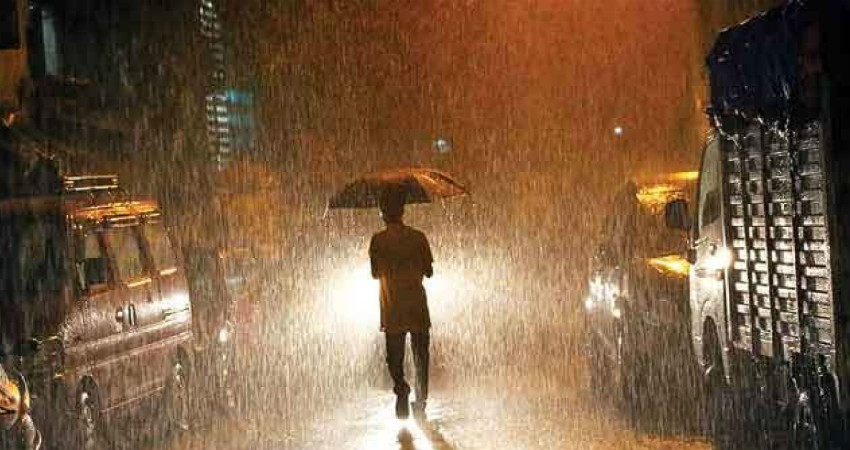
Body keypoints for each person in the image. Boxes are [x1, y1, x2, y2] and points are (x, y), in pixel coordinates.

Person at [369, 188, 434, 419]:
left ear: (383, 213)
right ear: (403, 210)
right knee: (421, 356)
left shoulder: (378, 241)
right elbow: (429, 271)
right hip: (417, 305)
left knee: (394, 358)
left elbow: (375, 274)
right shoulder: (418, 237)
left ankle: (401, 388)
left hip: (392, 307)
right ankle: (421, 402)